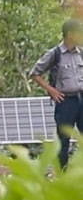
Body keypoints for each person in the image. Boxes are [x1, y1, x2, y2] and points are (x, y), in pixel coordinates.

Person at [29, 18, 83, 170]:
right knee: (63, 140)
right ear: (70, 34)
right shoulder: (55, 54)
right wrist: (51, 90)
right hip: (65, 101)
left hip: (81, 98)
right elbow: (35, 73)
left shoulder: (81, 53)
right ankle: (62, 173)